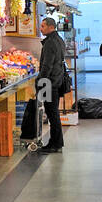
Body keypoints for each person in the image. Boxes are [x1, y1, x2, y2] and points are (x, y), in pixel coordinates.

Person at [37, 16, 68, 153]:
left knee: (52, 113)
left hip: (49, 82)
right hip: (57, 80)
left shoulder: (50, 42)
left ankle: (55, 143)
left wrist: (40, 81)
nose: (41, 28)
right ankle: (57, 141)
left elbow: (47, 65)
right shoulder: (59, 39)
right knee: (53, 112)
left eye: (43, 26)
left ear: (50, 27)